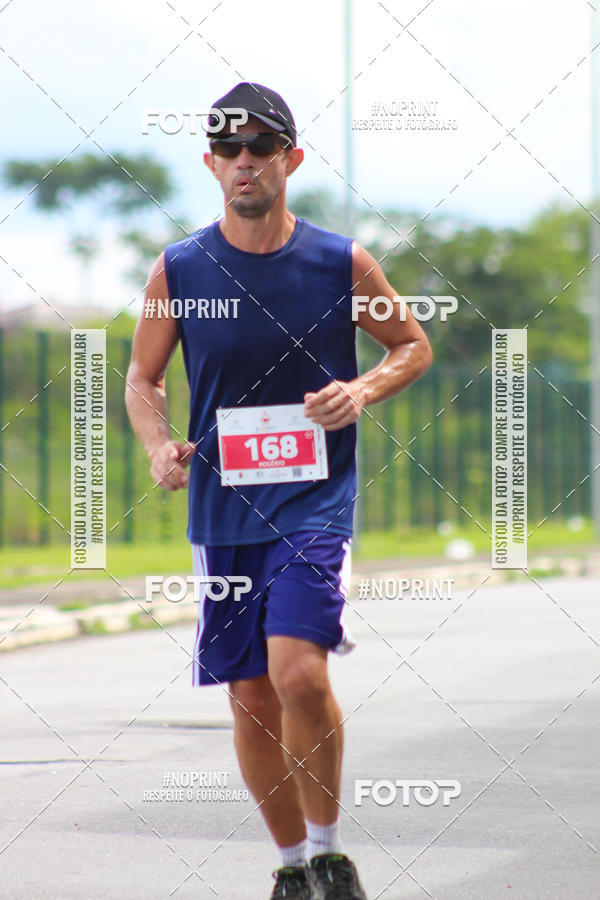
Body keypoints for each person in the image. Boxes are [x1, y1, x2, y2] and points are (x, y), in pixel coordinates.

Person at [126, 81, 432, 900]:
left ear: (291, 158)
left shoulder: (341, 261)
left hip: (314, 503)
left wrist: (362, 390)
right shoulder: (182, 268)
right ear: (210, 164)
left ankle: (331, 853)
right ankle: (292, 866)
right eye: (228, 149)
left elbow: (411, 344)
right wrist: (159, 443)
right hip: (223, 509)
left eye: (261, 147)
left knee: (298, 671)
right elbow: (142, 377)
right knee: (252, 692)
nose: (244, 162)